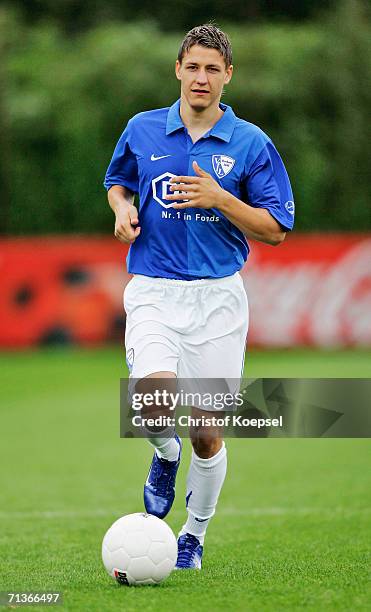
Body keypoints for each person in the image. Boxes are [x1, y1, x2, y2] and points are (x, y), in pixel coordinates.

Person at [104, 23, 294, 570]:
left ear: (228, 76)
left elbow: (277, 227)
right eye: (193, 67)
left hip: (218, 302)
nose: (201, 78)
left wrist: (219, 197)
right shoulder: (142, 129)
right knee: (152, 400)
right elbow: (117, 182)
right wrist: (120, 208)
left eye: (213, 69)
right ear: (178, 70)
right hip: (154, 291)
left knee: (208, 432)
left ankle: (194, 534)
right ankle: (165, 454)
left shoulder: (250, 143)